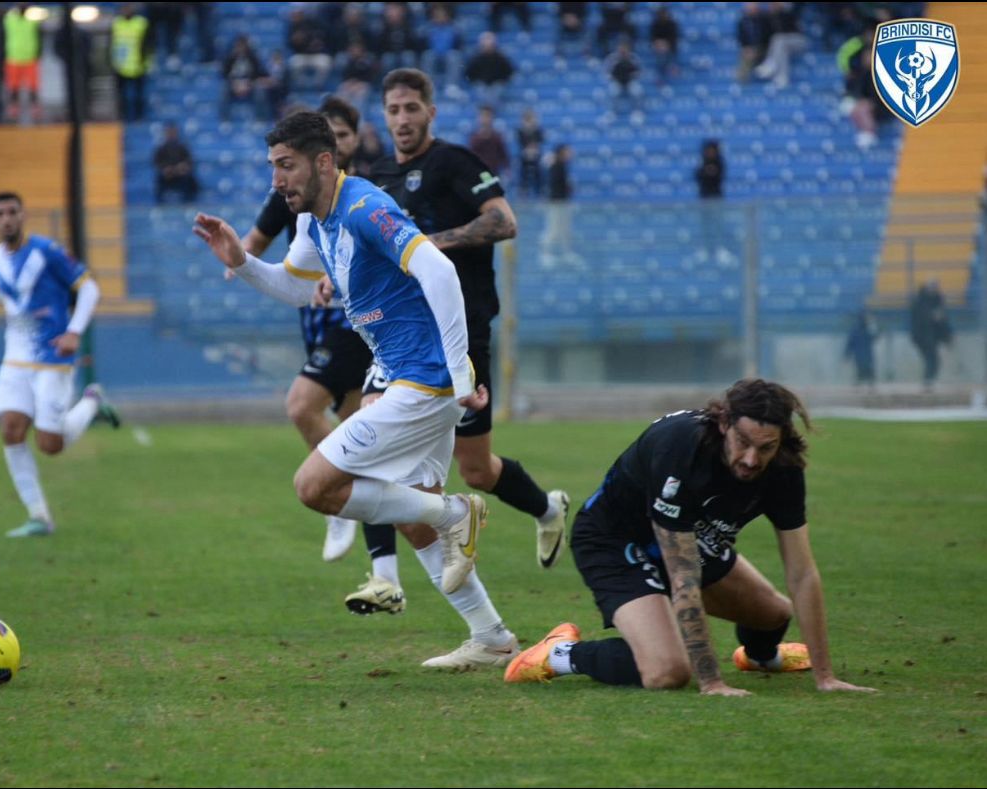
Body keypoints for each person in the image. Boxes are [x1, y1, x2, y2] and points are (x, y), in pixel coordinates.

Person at [194, 111, 521, 669]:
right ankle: (490, 636)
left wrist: (461, 373)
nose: (277, 181)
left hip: (423, 382)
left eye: (286, 166)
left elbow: (439, 272)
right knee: (412, 517)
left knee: (315, 485)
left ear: (323, 161)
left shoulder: (366, 207)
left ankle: (454, 515)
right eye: (273, 167)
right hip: (408, 378)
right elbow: (299, 291)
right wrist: (244, 263)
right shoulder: (313, 222)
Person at [346, 69, 568, 648]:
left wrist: (426, 248)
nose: (402, 118)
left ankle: (543, 509)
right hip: (404, 345)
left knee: (475, 470)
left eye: (412, 106)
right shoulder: (378, 178)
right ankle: (401, 580)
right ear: (383, 114)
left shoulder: (457, 162)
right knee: (385, 464)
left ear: (431, 111)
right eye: (393, 108)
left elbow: (505, 221)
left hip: (461, 335)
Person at [505, 379, 878, 696]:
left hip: (693, 542)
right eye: (743, 442)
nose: (751, 459)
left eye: (765, 447)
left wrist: (826, 677)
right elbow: (683, 577)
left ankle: (762, 657)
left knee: (775, 614)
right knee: (668, 670)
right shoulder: (681, 448)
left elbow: (802, 572)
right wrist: (712, 682)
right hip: (615, 542)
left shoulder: (783, 468)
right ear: (724, 423)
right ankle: (560, 654)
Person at [240, 97, 373, 565]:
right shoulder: (298, 201)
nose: (280, 178)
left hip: (363, 326)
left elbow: (428, 267)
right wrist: (237, 258)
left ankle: (337, 492)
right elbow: (285, 272)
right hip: (321, 323)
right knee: (369, 443)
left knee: (302, 405)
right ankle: (388, 578)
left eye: (343, 134)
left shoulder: (369, 196)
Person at [0, 192, 122, 538]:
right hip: (15, 360)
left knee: (50, 445)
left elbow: (89, 290)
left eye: (12, 212)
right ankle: (39, 515)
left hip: (53, 358)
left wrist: (74, 332)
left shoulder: (47, 251)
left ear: (23, 216)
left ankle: (92, 401)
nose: (6, 219)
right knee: (10, 430)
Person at [909, 280, 953, 390]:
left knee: (933, 359)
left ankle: (929, 380)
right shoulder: (920, 300)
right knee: (931, 358)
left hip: (932, 335)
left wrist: (947, 337)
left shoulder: (938, 300)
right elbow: (919, 318)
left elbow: (943, 321)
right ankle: (928, 380)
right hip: (922, 335)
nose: (933, 289)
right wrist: (932, 316)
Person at [110, 4, 150, 122]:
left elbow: (148, 44)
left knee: (138, 95)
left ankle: (139, 117)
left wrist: (145, 62)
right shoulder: (116, 23)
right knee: (122, 95)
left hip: (138, 65)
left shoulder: (141, 23)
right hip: (121, 66)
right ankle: (124, 117)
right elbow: (112, 44)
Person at [153, 122, 200, 204]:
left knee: (189, 179)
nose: (171, 134)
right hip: (167, 175)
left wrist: (183, 167)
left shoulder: (183, 147)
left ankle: (188, 202)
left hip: (181, 174)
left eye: (173, 132)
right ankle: (160, 204)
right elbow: (157, 162)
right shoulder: (161, 148)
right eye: (169, 132)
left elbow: (189, 160)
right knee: (159, 179)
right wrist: (165, 168)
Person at [843, 308, 877, 387]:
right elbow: (850, 343)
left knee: (865, 370)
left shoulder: (863, 329)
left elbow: (849, 343)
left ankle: (865, 384)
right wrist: (846, 354)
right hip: (863, 356)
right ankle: (865, 384)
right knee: (864, 370)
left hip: (862, 355)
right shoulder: (861, 330)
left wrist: (846, 354)